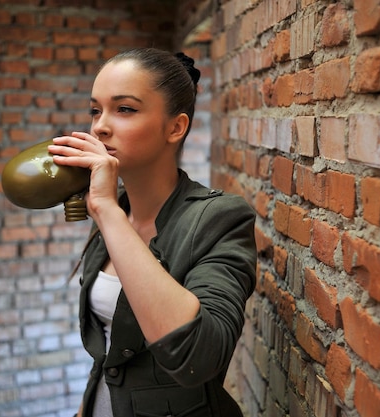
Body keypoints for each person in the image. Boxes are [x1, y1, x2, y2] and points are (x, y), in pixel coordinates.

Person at [48, 48, 257, 417]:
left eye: (124, 109)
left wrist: (106, 212)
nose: (100, 126)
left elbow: (197, 357)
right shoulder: (118, 208)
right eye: (96, 110)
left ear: (175, 127)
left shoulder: (219, 218)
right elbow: (111, 353)